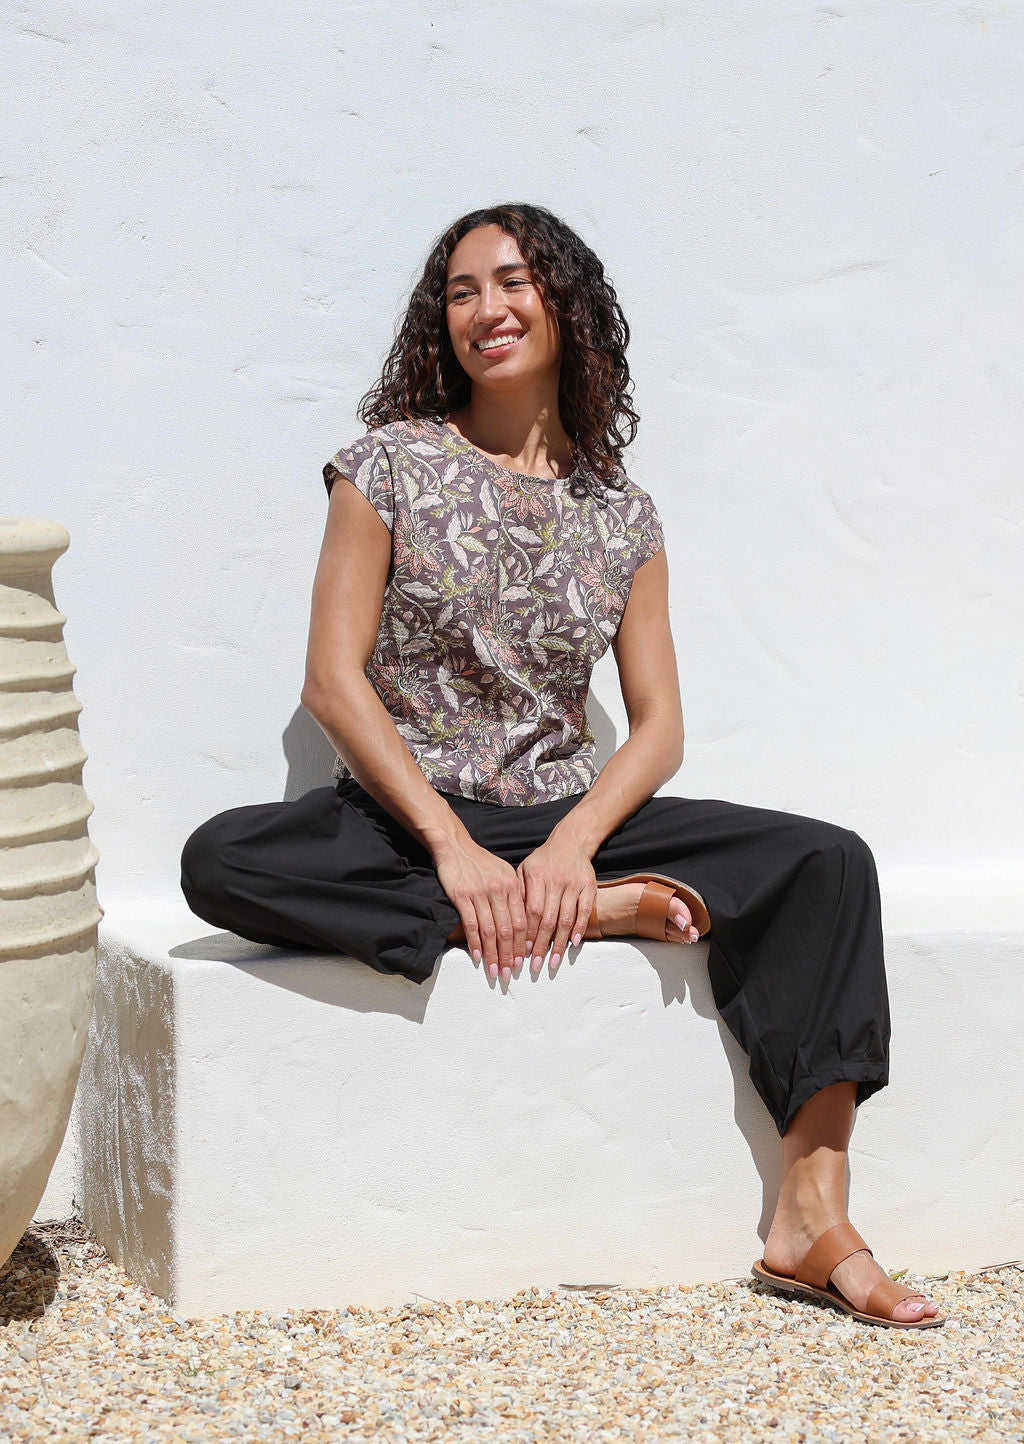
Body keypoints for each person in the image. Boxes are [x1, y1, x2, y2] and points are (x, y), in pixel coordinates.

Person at [181, 203, 942, 1329]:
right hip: (411, 816)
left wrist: (575, 844)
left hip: (562, 816)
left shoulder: (622, 513)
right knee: (221, 859)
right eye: (461, 291)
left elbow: (658, 726)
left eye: (512, 281)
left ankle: (810, 1216)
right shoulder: (385, 467)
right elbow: (332, 682)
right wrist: (450, 847)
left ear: (565, 304)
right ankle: (599, 914)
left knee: (828, 865)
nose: (485, 309)